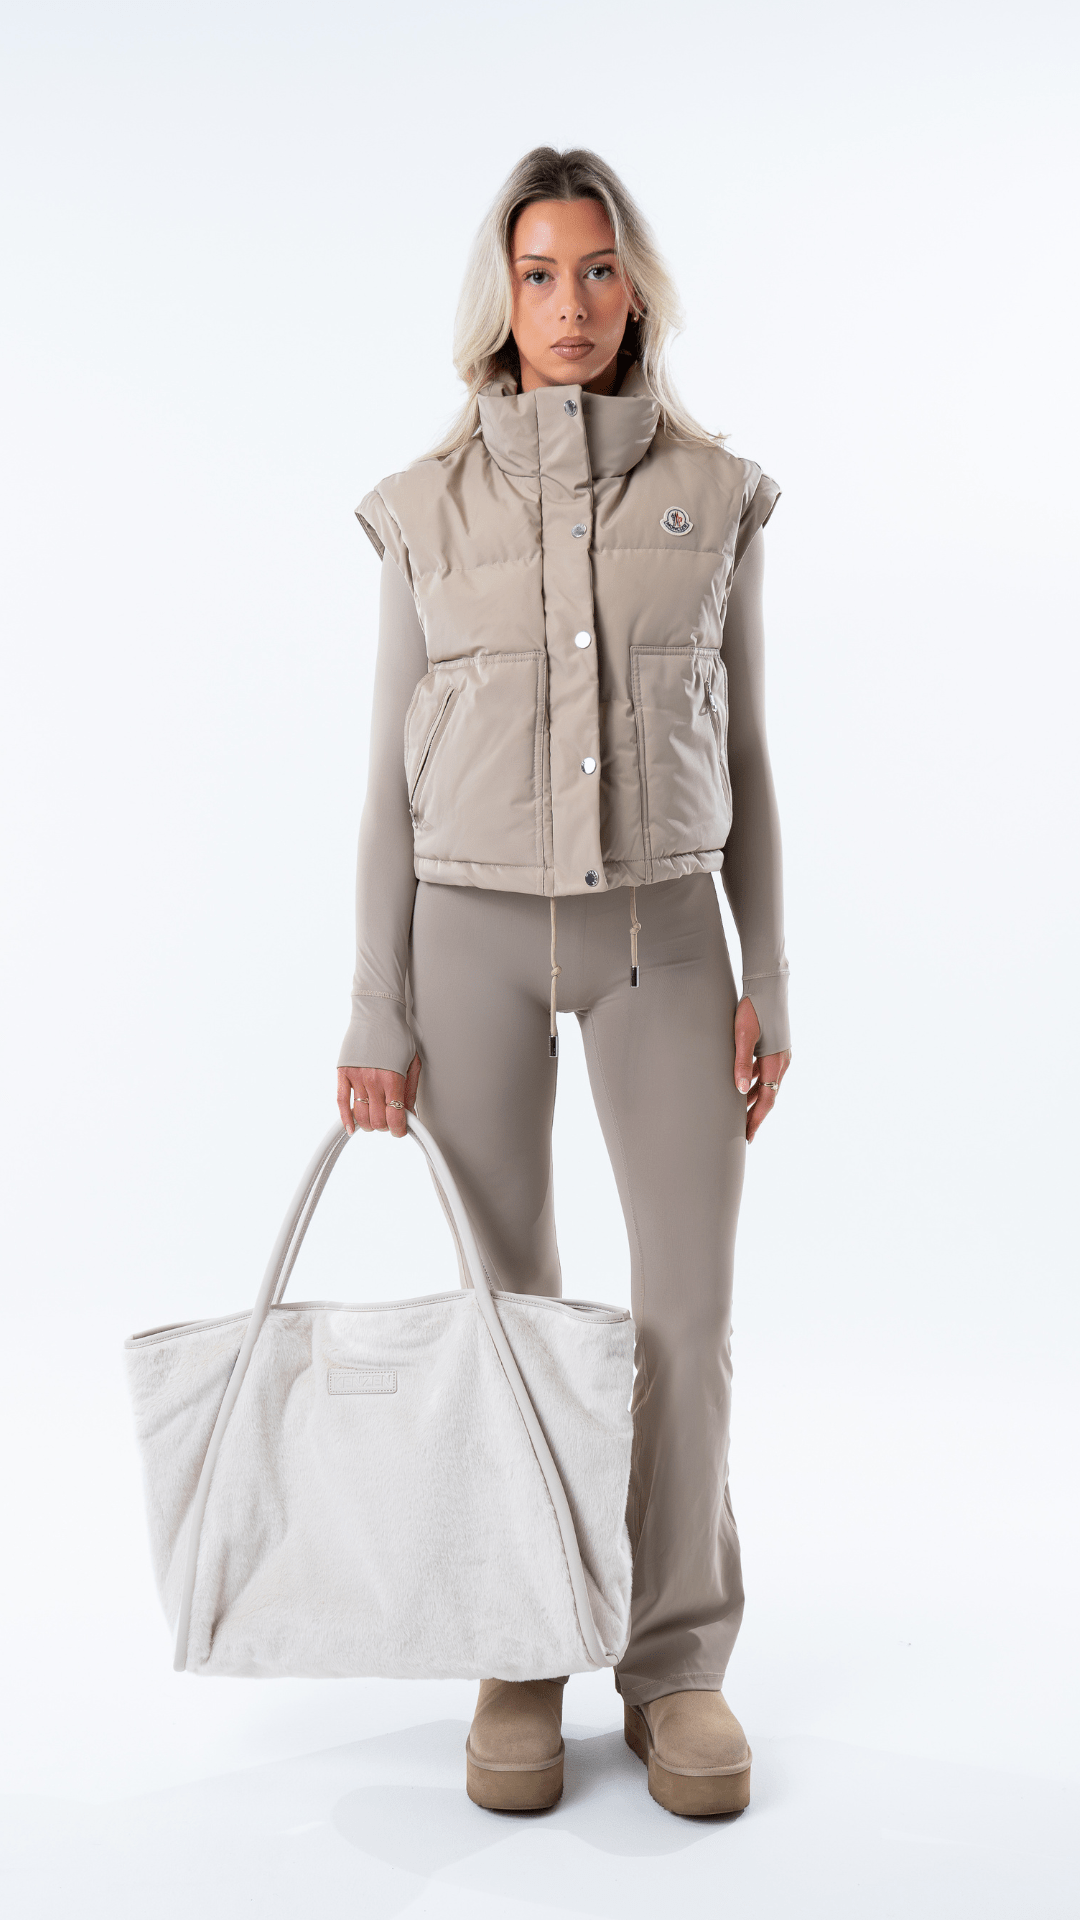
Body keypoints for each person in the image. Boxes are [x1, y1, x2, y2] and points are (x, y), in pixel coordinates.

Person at [335, 147, 791, 1818]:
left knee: (686, 1310)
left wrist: (771, 971)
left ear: (634, 289)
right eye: (541, 273)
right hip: (466, 936)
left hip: (666, 937)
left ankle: (676, 1665)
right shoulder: (421, 508)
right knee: (508, 1309)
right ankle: (520, 1640)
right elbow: (384, 780)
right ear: (503, 296)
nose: (573, 303)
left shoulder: (716, 494)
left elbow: (749, 746)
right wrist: (374, 1001)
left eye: (600, 270)